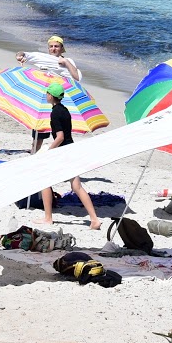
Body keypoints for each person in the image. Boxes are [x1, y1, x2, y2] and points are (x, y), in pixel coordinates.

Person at [39, 81, 102, 231]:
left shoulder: (55, 113)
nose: (46, 95)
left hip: (62, 151)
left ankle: (48, 218)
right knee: (77, 186)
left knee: (45, 180)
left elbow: (59, 136)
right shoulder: (65, 110)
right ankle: (94, 219)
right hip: (71, 148)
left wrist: (49, 150)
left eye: (47, 93)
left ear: (51, 96)